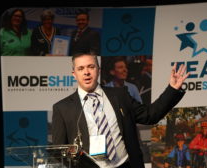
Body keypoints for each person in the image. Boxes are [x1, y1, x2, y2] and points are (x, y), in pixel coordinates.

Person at [52, 53, 190, 168]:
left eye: (91, 67)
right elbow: (59, 152)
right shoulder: (62, 108)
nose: (86, 72)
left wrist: (172, 89)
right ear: (74, 74)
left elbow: (150, 115)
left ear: (98, 70)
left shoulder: (120, 95)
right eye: (81, 68)